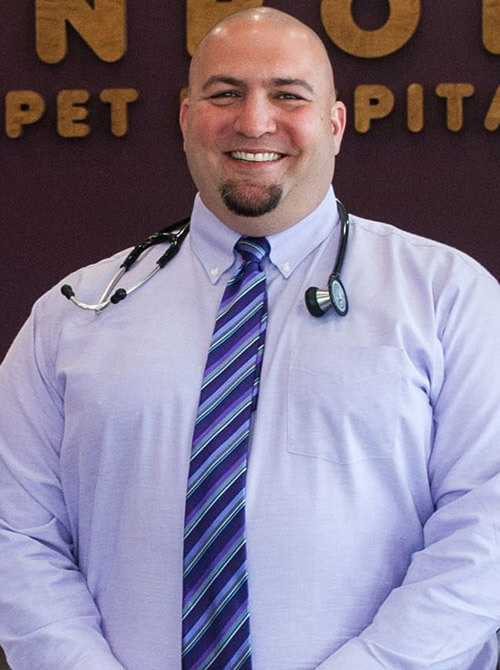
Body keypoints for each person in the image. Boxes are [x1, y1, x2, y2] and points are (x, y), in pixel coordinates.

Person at [0, 7, 499, 670]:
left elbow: (487, 526)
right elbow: (15, 534)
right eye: (224, 93)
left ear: (335, 123)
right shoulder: (71, 314)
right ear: (185, 119)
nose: (255, 121)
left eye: (288, 95)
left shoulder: (449, 297)